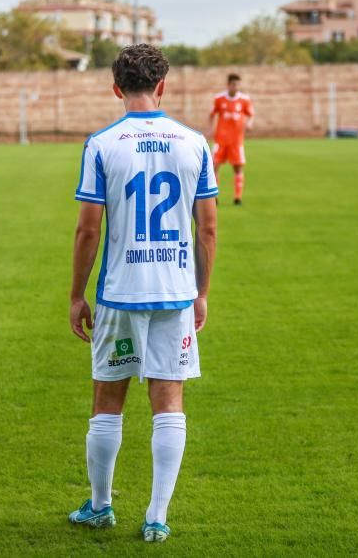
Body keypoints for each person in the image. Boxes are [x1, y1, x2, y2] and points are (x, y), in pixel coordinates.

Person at [68, 44, 218, 543]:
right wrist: (201, 291)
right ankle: (156, 515)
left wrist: (76, 294)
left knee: (108, 398)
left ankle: (100, 505)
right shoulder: (195, 142)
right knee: (167, 399)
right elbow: (209, 228)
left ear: (116, 88)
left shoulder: (101, 143)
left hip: (119, 293)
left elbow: (88, 230)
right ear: (163, 86)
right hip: (175, 292)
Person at [209, 73, 253, 204]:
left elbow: (250, 114)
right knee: (214, 166)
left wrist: (250, 123)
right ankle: (214, 196)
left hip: (236, 140)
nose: (236, 87)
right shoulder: (219, 99)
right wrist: (211, 129)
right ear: (228, 85)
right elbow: (211, 114)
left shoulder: (244, 99)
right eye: (233, 84)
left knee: (238, 167)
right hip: (220, 139)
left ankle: (237, 197)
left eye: (238, 84)